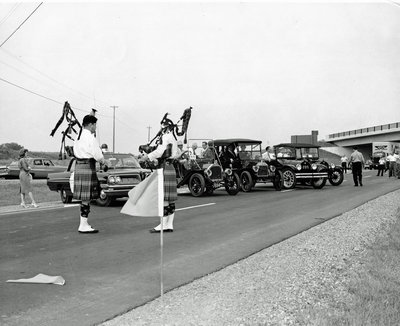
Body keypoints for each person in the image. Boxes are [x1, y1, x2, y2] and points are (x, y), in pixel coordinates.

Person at [140, 121, 178, 233]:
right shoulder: (173, 138)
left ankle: (163, 225)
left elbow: (160, 151)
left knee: (164, 197)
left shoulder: (165, 137)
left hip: (164, 168)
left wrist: (147, 156)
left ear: (165, 128)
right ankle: (169, 224)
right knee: (170, 199)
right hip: (171, 167)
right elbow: (172, 153)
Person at [73, 115, 106, 234]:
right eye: (95, 125)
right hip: (88, 166)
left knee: (84, 198)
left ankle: (84, 223)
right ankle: (83, 225)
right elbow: (97, 155)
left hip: (78, 166)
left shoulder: (78, 136)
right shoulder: (91, 138)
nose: (95, 128)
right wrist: (103, 161)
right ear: (91, 124)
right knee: (86, 198)